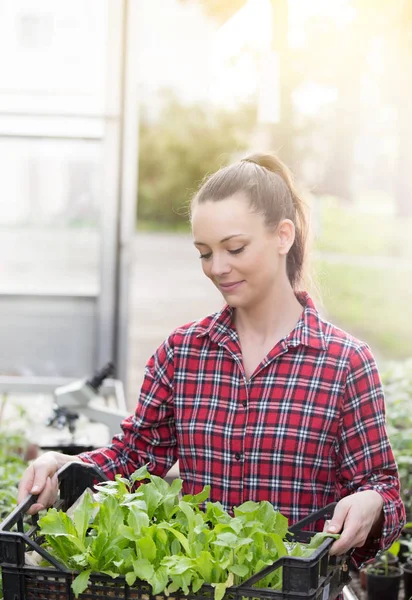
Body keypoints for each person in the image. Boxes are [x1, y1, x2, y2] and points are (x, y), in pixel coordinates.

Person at [18, 153, 405, 570]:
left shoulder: (344, 363)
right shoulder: (182, 353)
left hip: (299, 588)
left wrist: (372, 502)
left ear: (283, 236)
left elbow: (382, 488)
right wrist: (63, 464)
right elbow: (133, 458)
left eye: (234, 248)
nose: (217, 268)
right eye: (204, 253)